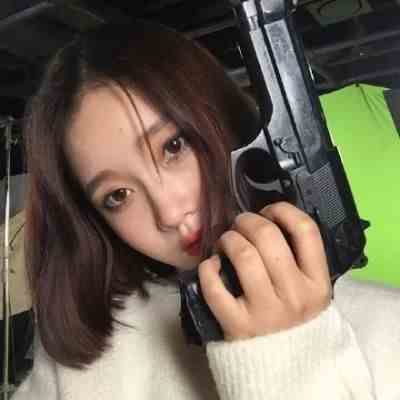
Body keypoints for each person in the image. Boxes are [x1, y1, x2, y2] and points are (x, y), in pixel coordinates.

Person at [12, 20, 400, 400]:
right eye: (118, 195)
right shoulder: (79, 362)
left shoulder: (388, 329)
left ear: (225, 118)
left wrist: (286, 353)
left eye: (173, 146)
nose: (169, 213)